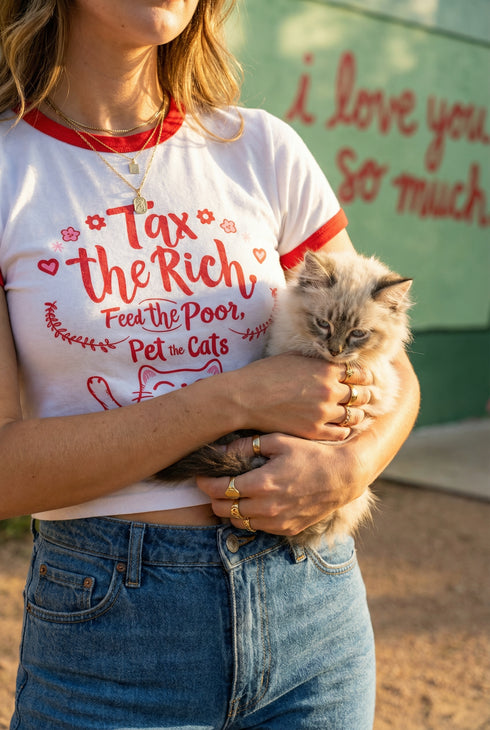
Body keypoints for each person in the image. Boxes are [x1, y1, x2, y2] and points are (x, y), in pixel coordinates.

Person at [0, 1, 420, 728]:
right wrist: (235, 400)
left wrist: (352, 469)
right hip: (111, 634)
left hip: (312, 609)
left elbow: (396, 369)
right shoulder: (12, 166)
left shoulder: (263, 148)